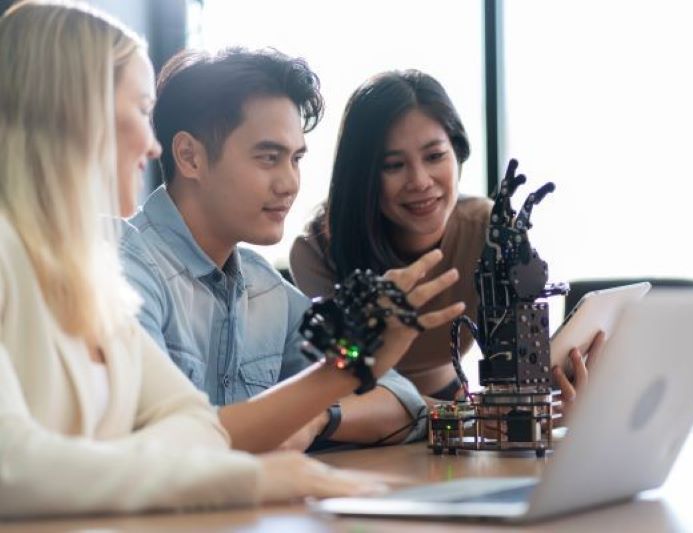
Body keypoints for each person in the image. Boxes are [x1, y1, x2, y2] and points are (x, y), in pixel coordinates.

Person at [0, 1, 459, 517]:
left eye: (295, 158)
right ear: (70, 114)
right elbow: (14, 467)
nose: (151, 147)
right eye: (138, 111)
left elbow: (195, 426)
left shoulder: (88, 271)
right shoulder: (87, 259)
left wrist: (349, 367)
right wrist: (249, 474)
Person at [119, 48, 461, 453]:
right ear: (190, 157)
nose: (289, 183)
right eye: (268, 158)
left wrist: (320, 416)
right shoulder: (122, 267)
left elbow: (401, 400)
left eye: (296, 159)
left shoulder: (263, 288)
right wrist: (345, 369)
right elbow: (164, 441)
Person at [290, 70, 600, 407]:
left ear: (458, 152)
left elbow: (515, 361)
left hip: (453, 402)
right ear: (362, 175)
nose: (420, 181)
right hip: (359, 409)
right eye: (394, 165)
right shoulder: (317, 249)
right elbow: (337, 377)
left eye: (435, 156)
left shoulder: (490, 231)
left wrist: (555, 388)